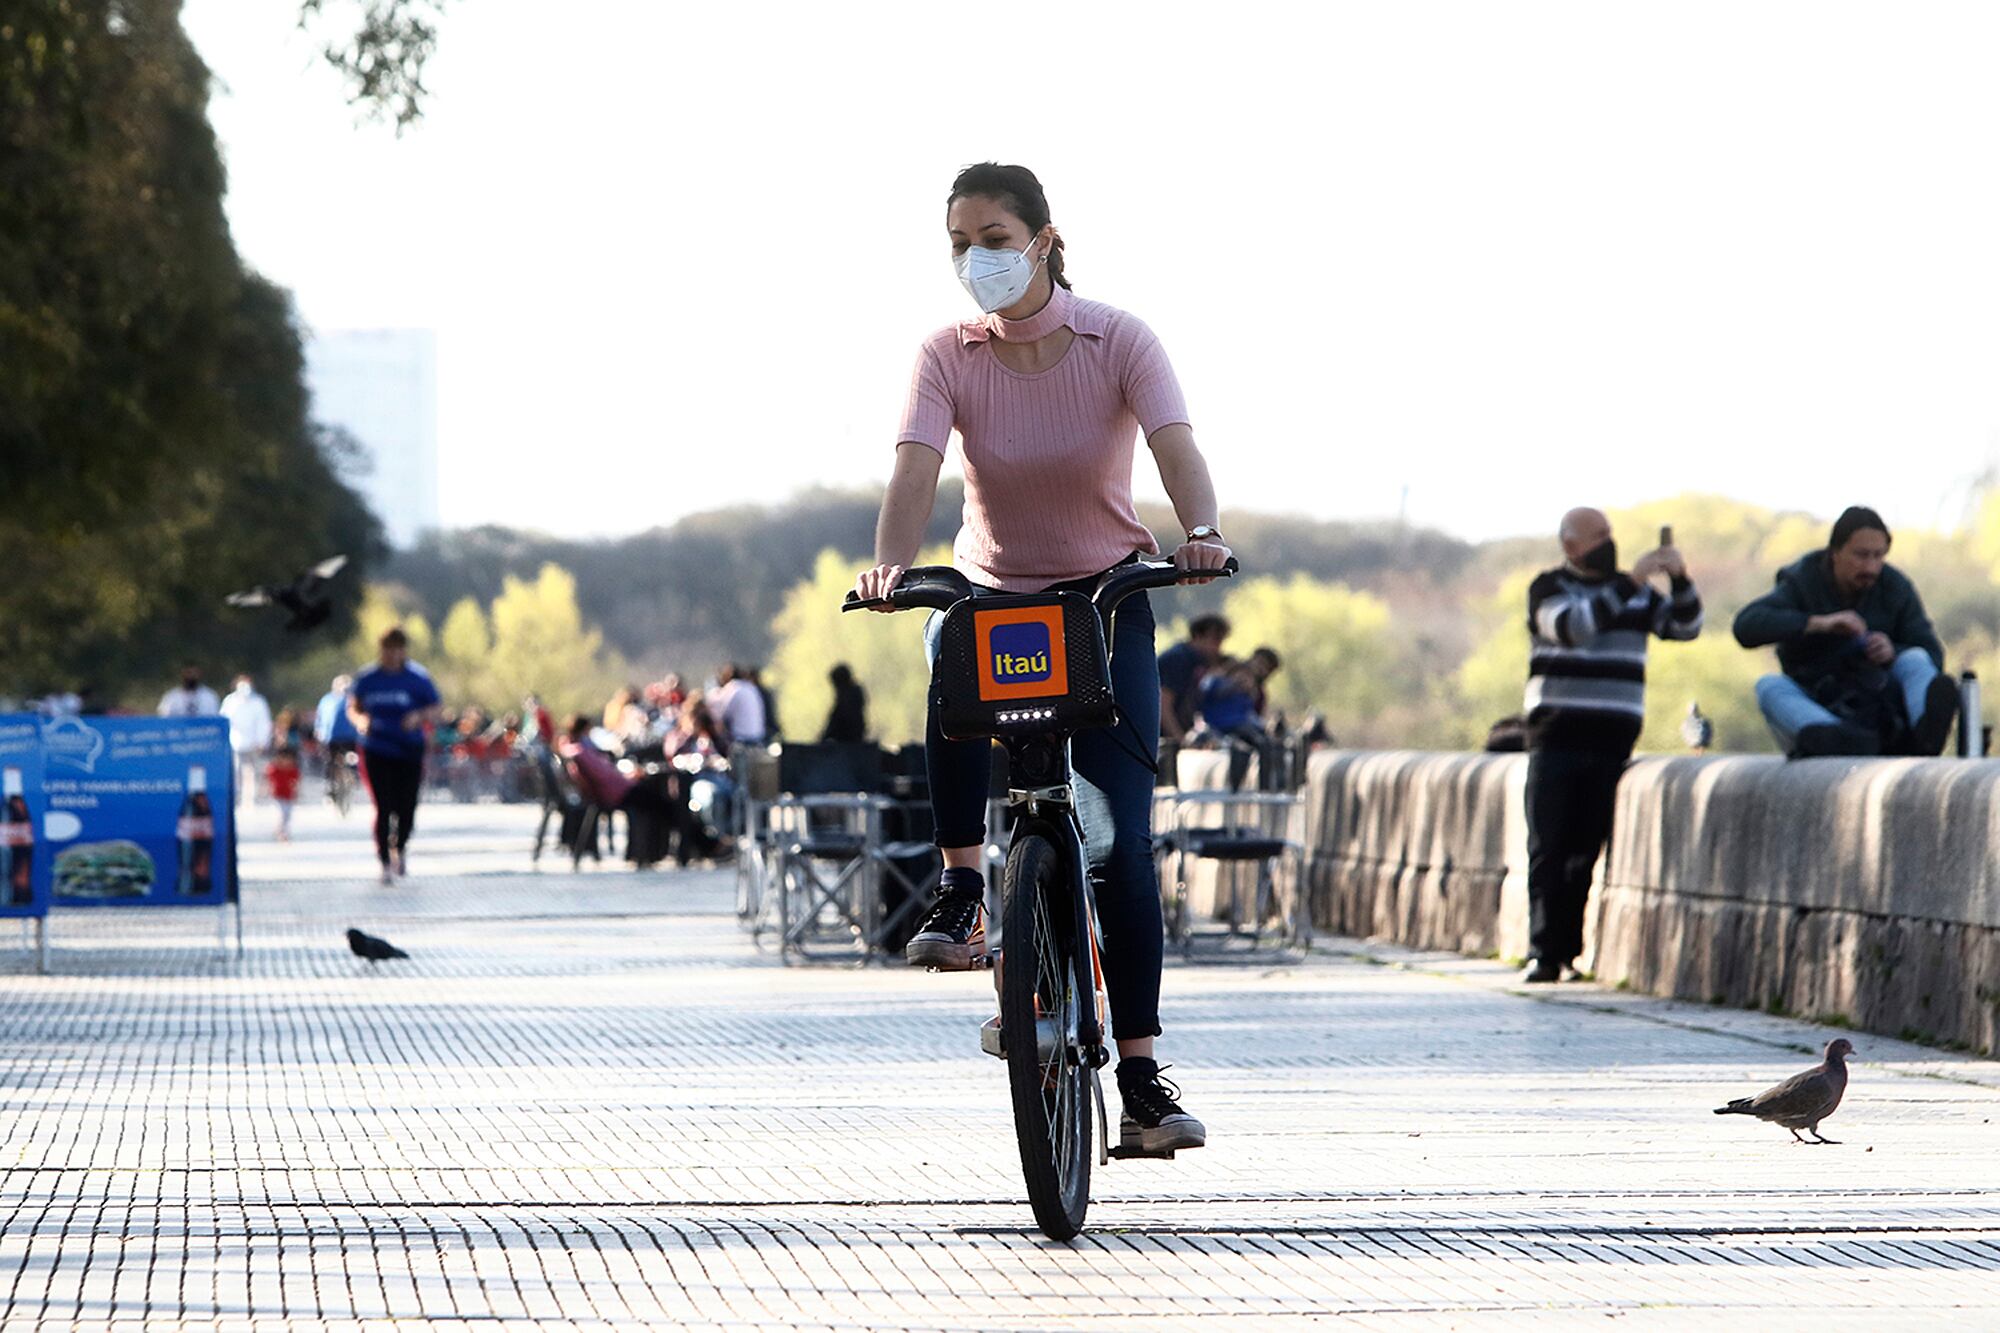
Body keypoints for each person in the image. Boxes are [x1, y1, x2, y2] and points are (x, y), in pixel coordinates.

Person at [853, 161, 1230, 1153]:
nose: (973, 258)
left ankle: (1141, 1078)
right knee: (943, 642)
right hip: (994, 597)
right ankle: (965, 885)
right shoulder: (947, 354)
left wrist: (1199, 531)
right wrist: (889, 566)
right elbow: (913, 466)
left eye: (990, 236)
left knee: (1118, 845)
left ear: (1041, 238)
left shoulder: (1119, 340)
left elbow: (1174, 443)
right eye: (957, 242)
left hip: (1103, 603)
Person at [1521, 508, 1703, 984]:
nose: (1609, 542)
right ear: (1571, 545)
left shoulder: (1636, 593)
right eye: (1598, 536)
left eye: (1609, 534)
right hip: (1556, 736)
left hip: (1610, 740)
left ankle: (1568, 953)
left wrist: (1679, 579)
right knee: (1549, 846)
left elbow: (1684, 627)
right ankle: (1542, 951)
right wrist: (1632, 582)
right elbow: (1572, 628)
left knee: (1585, 850)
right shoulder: (1548, 588)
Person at [1732, 506, 1954, 758]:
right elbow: (1746, 626)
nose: (1870, 567)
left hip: (1883, 705)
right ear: (1835, 552)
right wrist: (1819, 624)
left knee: (1915, 659)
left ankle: (1924, 733)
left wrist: (1892, 651)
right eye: (1860, 555)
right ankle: (1835, 737)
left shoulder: (1895, 587)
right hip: (1820, 700)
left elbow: (1933, 654)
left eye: (1878, 556)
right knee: (1768, 686)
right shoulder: (1802, 579)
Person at [347, 627, 443, 885]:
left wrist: (419, 717)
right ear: (382, 650)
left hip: (409, 749)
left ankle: (399, 847)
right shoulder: (368, 678)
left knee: (406, 806)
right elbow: (353, 708)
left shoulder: (418, 678)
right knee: (383, 805)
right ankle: (384, 861)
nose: (393, 654)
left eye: (398, 649)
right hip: (377, 748)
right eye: (388, 649)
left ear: (404, 651)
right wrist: (361, 720)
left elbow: (436, 707)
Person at [1196, 647, 1283, 789]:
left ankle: (1268, 786)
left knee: (1267, 743)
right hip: (1222, 727)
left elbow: (1252, 715)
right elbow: (1205, 691)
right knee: (1245, 746)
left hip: (1243, 727)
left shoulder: (1252, 694)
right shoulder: (1218, 682)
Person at [1158, 614, 1230, 747]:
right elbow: (1163, 704)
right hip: (1161, 740)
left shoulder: (1196, 663)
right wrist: (1181, 740)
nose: (1218, 648)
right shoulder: (1178, 659)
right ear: (1197, 636)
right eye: (1215, 640)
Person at [219, 675, 274, 807]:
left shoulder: (259, 702)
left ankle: (250, 799)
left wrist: (263, 741)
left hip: (253, 743)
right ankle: (236, 797)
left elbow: (264, 723)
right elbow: (224, 721)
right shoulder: (230, 701)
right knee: (236, 771)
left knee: (251, 771)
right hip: (235, 742)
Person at [710, 665, 769, 749]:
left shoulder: (732, 688)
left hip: (741, 738)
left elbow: (721, 714)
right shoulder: (751, 687)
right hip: (758, 736)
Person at [822, 664, 868, 743]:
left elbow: (837, 721)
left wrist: (825, 736)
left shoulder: (847, 698)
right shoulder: (853, 694)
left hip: (849, 738)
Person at [266, 745, 301, 842]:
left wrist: (296, 793)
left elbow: (296, 783)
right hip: (277, 796)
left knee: (288, 815)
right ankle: (281, 833)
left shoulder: (293, 770)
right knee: (281, 814)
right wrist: (267, 789)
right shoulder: (274, 769)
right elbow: (269, 781)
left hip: (288, 796)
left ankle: (283, 831)